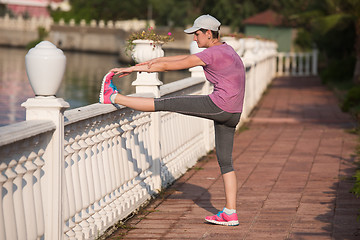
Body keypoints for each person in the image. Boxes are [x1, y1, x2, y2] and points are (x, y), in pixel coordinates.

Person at [99, 14, 245, 226]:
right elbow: (171, 61)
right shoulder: (228, 50)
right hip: (234, 113)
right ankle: (230, 213)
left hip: (219, 106)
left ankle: (111, 96)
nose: (194, 39)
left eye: (197, 34)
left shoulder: (212, 54)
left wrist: (132, 69)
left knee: (164, 103)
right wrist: (136, 67)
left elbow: (170, 66)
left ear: (208, 33)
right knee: (225, 161)